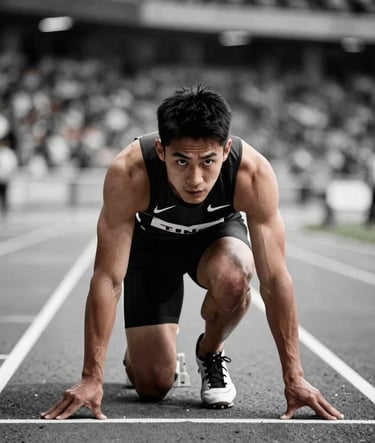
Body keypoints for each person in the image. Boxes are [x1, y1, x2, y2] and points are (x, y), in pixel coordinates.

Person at [41, 86, 344, 421]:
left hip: (216, 242)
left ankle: (210, 352)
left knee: (237, 272)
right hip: (152, 250)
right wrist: (91, 377)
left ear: (227, 150)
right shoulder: (129, 173)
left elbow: (274, 279)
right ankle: (145, 355)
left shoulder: (252, 174)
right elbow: (108, 279)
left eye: (208, 161)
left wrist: (295, 377)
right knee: (153, 385)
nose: (196, 179)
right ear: (161, 150)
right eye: (181, 161)